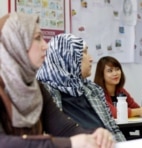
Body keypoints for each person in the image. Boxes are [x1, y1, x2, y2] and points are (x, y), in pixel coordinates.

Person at [0, 12, 114, 148]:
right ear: (16, 43)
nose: (45, 45)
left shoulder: (36, 87)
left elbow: (64, 129)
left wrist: (95, 135)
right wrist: (70, 143)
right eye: (37, 38)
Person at [36, 33, 126, 142]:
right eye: (84, 52)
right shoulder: (43, 92)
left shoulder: (93, 89)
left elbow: (113, 129)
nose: (91, 58)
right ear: (68, 57)